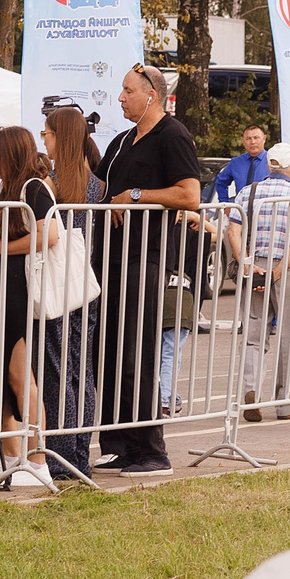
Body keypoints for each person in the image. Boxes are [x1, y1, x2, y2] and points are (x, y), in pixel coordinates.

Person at [93, 65, 203, 473]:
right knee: (111, 351)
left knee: (138, 353)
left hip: (148, 258)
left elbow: (190, 194)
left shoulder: (172, 135)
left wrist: (135, 196)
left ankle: (152, 450)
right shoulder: (122, 141)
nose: (119, 98)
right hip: (112, 258)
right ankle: (121, 442)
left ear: (150, 95)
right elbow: (99, 189)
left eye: (126, 91)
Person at [0, 125, 56, 491]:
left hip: (20, 293)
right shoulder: (9, 190)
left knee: (21, 378)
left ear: (11, 154)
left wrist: (2, 247)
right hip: (3, 292)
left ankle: (37, 460)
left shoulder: (34, 188)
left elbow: (49, 235)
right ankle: (12, 455)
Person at [224, 141, 290, 422]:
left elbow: (233, 233)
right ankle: (286, 404)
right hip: (284, 269)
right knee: (288, 337)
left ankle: (251, 392)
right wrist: (276, 271)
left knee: (253, 336)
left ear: (268, 165)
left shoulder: (247, 193)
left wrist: (248, 265)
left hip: (254, 265)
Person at [36, 105, 102, 478]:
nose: (43, 140)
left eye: (46, 134)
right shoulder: (94, 185)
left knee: (57, 372)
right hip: (83, 286)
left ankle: (62, 458)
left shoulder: (52, 184)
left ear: (59, 136)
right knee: (82, 371)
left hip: (58, 284)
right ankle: (78, 453)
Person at [211, 126, 271, 204]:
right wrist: (225, 204)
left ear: (264, 139)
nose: (252, 142)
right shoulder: (236, 163)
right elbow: (220, 182)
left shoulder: (272, 161)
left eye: (256, 138)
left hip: (265, 211)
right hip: (240, 212)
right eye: (248, 139)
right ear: (243, 141)